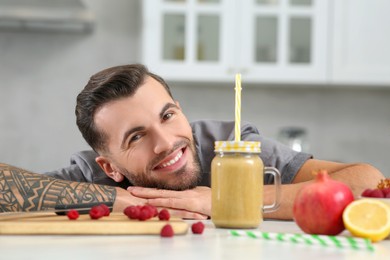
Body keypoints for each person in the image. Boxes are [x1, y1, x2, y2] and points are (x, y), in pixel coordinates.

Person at [1, 64, 385, 219]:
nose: (167, 142)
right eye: (137, 137)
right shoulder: (92, 177)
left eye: (167, 116)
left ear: (180, 110)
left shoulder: (231, 146)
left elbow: (367, 181)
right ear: (109, 167)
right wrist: (118, 199)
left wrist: (224, 201)